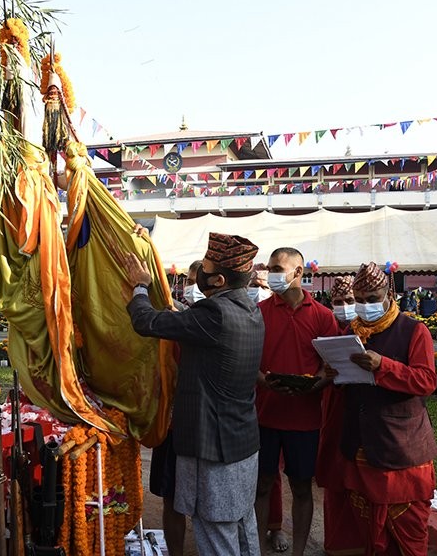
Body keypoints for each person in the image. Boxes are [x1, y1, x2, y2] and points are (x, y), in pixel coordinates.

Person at [125, 232, 264, 556]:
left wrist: (141, 285)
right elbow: (187, 320)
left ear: (216, 278)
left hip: (213, 448)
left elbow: (146, 321)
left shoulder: (214, 314)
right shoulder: (248, 309)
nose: (199, 271)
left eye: (204, 266)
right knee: (243, 527)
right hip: (241, 442)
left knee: (216, 534)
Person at [331, 262, 437, 556]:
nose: (366, 306)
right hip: (360, 445)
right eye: (361, 300)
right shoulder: (351, 331)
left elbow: (426, 381)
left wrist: (384, 366)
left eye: (373, 299)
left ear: (389, 294)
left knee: (409, 535)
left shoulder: (414, 330)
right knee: (371, 535)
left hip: (401, 448)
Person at [254, 248, 338, 556]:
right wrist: (263, 380)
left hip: (304, 419)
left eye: (278, 268)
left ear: (298, 272)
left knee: (302, 488)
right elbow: (247, 360)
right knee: (262, 486)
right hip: (264, 415)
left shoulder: (323, 316)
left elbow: (331, 365)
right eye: (270, 267)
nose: (272, 273)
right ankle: (260, 548)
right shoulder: (259, 313)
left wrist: (313, 384)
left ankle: (299, 551)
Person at [150, 258, 202, 555]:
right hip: (170, 423)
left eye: (199, 280)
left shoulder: (216, 319)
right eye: (189, 280)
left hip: (201, 427)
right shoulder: (175, 318)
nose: (193, 287)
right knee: (170, 497)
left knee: (204, 500)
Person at [315, 275, 365, 555]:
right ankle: (337, 543)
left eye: (350, 301)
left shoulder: (373, 331)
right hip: (334, 409)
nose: (344, 307)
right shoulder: (330, 332)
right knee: (336, 476)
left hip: (365, 413)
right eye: (338, 302)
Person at [249, 264, 287, 553]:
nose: (257, 290)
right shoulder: (248, 313)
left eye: (262, 285)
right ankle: (250, 531)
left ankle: (275, 527)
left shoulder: (276, 312)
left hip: (273, 404)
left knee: (271, 473)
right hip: (242, 405)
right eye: (253, 284)